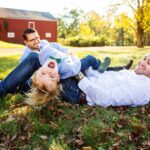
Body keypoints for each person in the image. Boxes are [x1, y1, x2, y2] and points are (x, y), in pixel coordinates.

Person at [33, 53, 150, 107]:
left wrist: (80, 76)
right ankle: (25, 84)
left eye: (148, 63)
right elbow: (104, 78)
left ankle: (21, 86)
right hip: (82, 81)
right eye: (144, 58)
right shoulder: (137, 75)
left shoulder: (142, 88)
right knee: (43, 66)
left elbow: (106, 98)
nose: (142, 62)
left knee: (39, 62)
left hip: (79, 92)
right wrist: (86, 70)